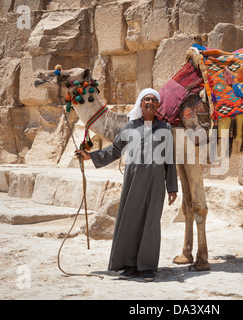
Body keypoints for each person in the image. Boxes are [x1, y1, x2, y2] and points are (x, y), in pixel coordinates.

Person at [76, 88, 178, 282]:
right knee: (130, 220)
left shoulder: (165, 128)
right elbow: (115, 150)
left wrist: (171, 187)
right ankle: (130, 265)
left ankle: (147, 267)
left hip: (156, 183)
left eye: (154, 100)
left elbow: (170, 161)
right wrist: (91, 156)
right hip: (133, 180)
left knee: (150, 224)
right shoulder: (130, 127)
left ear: (157, 106)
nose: (150, 102)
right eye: (146, 99)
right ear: (141, 104)